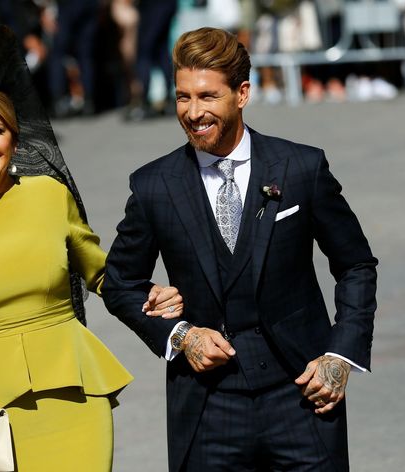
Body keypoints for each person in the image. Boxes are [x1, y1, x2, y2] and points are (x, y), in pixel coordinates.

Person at [0, 21, 183, 472]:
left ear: (15, 138)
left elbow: (102, 274)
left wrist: (151, 295)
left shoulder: (49, 195)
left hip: (75, 394)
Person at [103, 27, 378, 471]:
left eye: (208, 97)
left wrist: (341, 355)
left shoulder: (301, 167)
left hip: (301, 395)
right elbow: (118, 283)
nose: (193, 113)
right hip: (208, 407)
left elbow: (356, 264)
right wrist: (180, 335)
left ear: (242, 93)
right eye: (182, 97)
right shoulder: (155, 185)